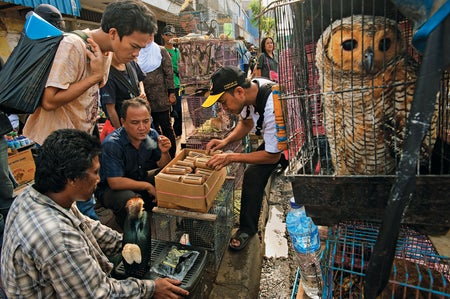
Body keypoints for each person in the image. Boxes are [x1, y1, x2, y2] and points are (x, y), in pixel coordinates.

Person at [0, 128, 189, 298]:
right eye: (95, 172)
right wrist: (151, 289)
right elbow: (99, 294)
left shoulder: (44, 193)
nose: (99, 179)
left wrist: (135, 244)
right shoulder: (57, 238)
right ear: (72, 178)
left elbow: (93, 229)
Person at [22, 0, 157, 220]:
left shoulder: (106, 51)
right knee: (69, 210)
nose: (136, 55)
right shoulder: (73, 45)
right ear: (113, 33)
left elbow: (96, 87)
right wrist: (94, 76)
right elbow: (49, 100)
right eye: (134, 46)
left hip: (79, 141)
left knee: (84, 206)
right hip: (57, 147)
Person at [202, 66, 287, 251]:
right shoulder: (248, 94)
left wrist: (233, 157)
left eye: (224, 103)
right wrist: (225, 141)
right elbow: (247, 122)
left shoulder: (273, 104)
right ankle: (248, 228)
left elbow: (272, 156)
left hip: (291, 146)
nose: (224, 109)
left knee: (253, 174)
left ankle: (248, 229)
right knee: (253, 172)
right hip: (274, 143)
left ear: (239, 91)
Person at [96, 98, 172, 229]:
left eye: (146, 121)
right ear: (123, 122)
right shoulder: (113, 144)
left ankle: (167, 220)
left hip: (137, 178)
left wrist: (165, 152)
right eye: (135, 122)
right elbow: (115, 182)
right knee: (131, 201)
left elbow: (163, 165)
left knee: (167, 178)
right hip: (112, 189)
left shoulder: (150, 136)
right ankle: (127, 229)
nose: (142, 127)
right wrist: (148, 186)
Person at [138, 35, 177, 159]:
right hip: (145, 98)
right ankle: (159, 156)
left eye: (151, 35)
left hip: (161, 97)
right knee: (151, 128)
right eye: (146, 35)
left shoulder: (161, 50)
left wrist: (171, 93)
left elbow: (169, 73)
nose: (148, 38)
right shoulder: (137, 51)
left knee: (166, 127)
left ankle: (171, 155)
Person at [99, 53, 147, 142]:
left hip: (140, 117)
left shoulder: (131, 63)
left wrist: (142, 91)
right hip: (127, 125)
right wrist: (121, 132)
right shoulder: (108, 74)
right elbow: (110, 108)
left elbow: (140, 79)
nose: (135, 54)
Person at [162, 25, 183, 139]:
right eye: (167, 35)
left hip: (177, 84)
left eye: (171, 35)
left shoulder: (177, 51)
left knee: (178, 110)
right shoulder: (161, 50)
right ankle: (168, 133)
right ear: (163, 36)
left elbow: (181, 66)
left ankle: (177, 132)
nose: (169, 37)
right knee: (166, 111)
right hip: (164, 85)